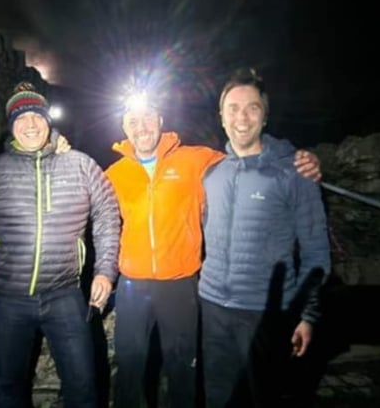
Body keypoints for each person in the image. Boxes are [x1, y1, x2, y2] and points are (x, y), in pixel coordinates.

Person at [105, 86, 321, 408]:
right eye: (133, 120)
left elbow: (247, 156)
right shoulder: (113, 174)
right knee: (130, 370)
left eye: (148, 117)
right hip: (132, 286)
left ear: (160, 120)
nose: (142, 127)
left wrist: (299, 158)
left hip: (180, 283)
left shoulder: (196, 159)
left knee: (183, 370)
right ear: (124, 127)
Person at [0, 83, 120, 408]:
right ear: (11, 126)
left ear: (48, 120)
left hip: (65, 295)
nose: (30, 124)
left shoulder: (81, 164)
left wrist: (105, 270)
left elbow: (107, 214)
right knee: (7, 388)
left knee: (84, 386)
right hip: (6, 298)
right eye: (20, 117)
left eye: (36, 116)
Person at [198, 68, 332, 407]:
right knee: (218, 397)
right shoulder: (212, 173)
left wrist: (308, 315)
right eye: (233, 108)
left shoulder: (294, 173)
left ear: (265, 116)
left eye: (252, 107)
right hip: (212, 307)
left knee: (262, 398)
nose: (242, 117)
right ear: (221, 117)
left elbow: (316, 251)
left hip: (265, 313)